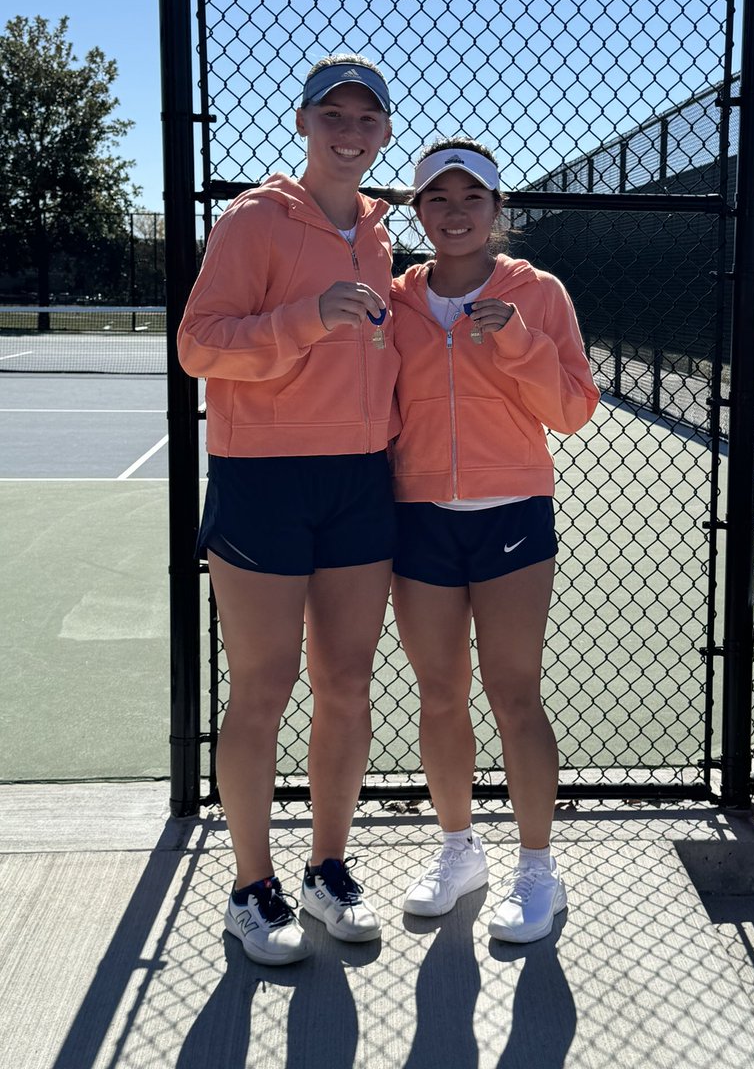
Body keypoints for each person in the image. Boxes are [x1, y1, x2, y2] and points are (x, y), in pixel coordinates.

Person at [177, 54, 400, 965]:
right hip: (263, 478)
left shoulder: (382, 237)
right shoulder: (253, 221)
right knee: (263, 690)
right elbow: (199, 345)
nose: (349, 134)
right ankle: (250, 887)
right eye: (332, 117)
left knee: (346, 684)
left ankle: (327, 869)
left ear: (385, 132)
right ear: (303, 124)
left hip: (359, 481)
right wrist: (307, 317)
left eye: (365, 119)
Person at [389, 138, 600, 943]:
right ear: (419, 211)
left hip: (513, 515)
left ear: (496, 209)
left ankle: (538, 869)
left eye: (471, 197)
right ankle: (458, 850)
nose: (455, 213)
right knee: (440, 694)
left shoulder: (537, 292)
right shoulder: (395, 299)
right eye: (438, 199)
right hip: (419, 518)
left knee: (514, 695)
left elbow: (572, 409)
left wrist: (516, 341)